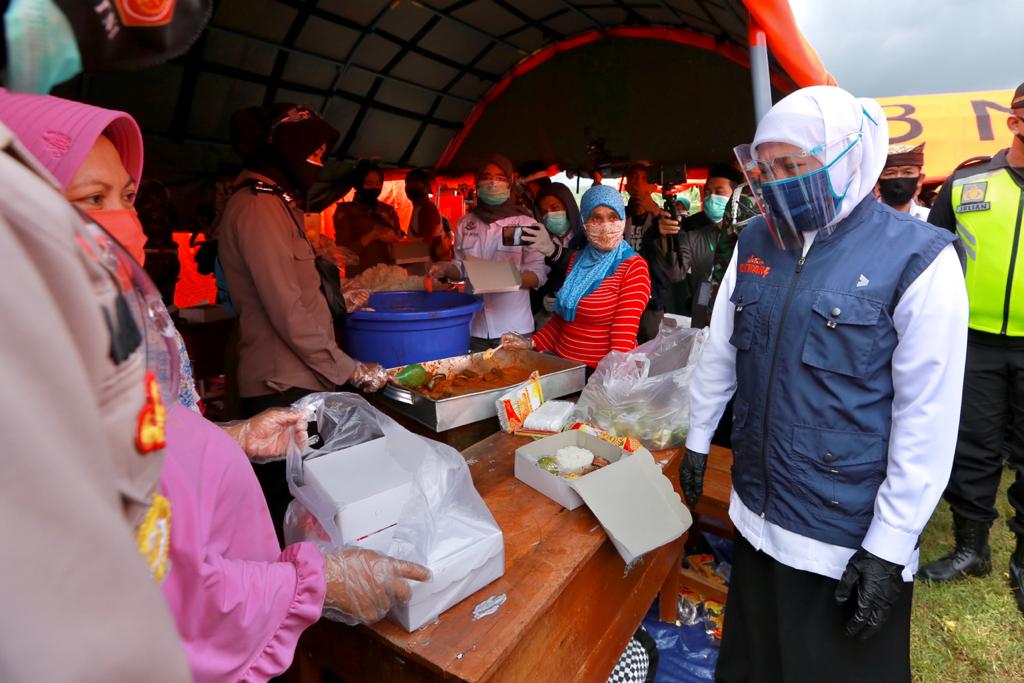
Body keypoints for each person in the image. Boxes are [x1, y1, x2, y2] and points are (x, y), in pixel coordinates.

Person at [2, 90, 431, 681]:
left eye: (126, 197)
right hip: (282, 389)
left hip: (243, 615)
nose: (124, 220)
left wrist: (227, 438)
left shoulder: (93, 335)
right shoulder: (28, 387)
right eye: (92, 199)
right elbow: (155, 577)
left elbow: (147, 449)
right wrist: (313, 583)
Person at [681, 86, 968, 681]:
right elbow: (721, 349)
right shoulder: (757, 239)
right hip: (756, 515)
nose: (779, 182)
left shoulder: (919, 257)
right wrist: (698, 437)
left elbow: (928, 417)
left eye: (796, 166)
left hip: (843, 534)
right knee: (753, 666)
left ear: (851, 158)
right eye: (768, 168)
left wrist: (890, 546)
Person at [216, 104, 387, 537]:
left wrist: (336, 300)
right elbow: (285, 310)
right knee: (289, 512)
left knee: (312, 510)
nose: (321, 164)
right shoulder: (257, 208)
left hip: (302, 377)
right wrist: (349, 369)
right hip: (281, 385)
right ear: (285, 151)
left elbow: (296, 293)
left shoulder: (279, 205)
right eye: (315, 153)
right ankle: (297, 597)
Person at [919, 82, 1024, 615]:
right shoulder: (966, 183)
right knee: (975, 446)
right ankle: (971, 548)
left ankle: (1023, 559)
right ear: (1015, 120)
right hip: (974, 340)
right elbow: (928, 259)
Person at [502, 184, 651, 369]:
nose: (605, 225)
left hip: (599, 373)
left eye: (612, 217)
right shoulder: (577, 260)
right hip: (563, 365)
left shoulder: (633, 267)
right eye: (596, 218)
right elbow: (561, 320)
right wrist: (531, 343)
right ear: (585, 223)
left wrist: (615, 376)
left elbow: (623, 333)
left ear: (622, 219)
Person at [431, 154, 548, 350]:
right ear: (477, 182)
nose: (493, 182)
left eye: (500, 178)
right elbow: (460, 267)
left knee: (515, 378)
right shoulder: (466, 222)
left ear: (510, 184)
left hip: (514, 327)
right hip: (474, 327)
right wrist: (446, 269)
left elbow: (539, 274)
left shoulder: (526, 224)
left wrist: (509, 278)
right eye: (486, 177)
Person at [656, 164, 743, 323]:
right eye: (707, 192)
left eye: (719, 191)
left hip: (736, 321)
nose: (711, 197)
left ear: (736, 195)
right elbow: (675, 275)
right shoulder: (692, 237)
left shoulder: (748, 237)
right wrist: (665, 238)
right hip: (703, 322)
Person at [521, 181, 588, 327]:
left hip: (581, 322)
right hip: (545, 322)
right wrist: (543, 297)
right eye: (544, 212)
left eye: (554, 207)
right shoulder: (539, 240)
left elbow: (586, 269)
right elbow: (536, 275)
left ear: (568, 205)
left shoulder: (586, 237)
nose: (549, 214)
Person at [334, 159, 402, 275]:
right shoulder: (346, 211)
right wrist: (373, 235)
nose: (374, 188)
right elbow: (343, 254)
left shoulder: (388, 211)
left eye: (378, 183)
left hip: (388, 277)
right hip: (360, 279)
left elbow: (399, 247)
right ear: (358, 184)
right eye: (369, 183)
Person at [405, 167, 452, 262]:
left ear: (426, 187)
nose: (411, 187)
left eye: (415, 184)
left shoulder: (427, 209)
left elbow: (423, 245)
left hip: (429, 270)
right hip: (424, 269)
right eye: (408, 184)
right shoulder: (419, 208)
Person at [875, 142, 929, 220]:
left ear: (920, 180)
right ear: (877, 182)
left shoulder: (930, 219)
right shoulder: (863, 220)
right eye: (890, 173)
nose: (899, 182)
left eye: (908, 172)